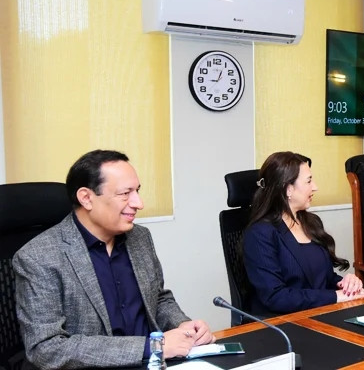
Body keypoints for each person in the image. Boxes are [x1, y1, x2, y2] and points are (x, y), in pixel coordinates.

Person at [13, 150, 214, 369]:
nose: (139, 203)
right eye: (125, 193)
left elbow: (158, 299)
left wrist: (184, 326)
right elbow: (46, 348)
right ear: (86, 198)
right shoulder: (38, 257)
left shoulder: (140, 237)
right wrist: (150, 347)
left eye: (137, 191)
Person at [243, 152, 364, 316]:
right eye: (308, 181)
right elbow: (275, 297)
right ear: (288, 189)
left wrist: (345, 283)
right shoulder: (260, 234)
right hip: (286, 322)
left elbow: (324, 278)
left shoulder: (311, 222)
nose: (315, 187)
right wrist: (335, 296)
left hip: (322, 312)